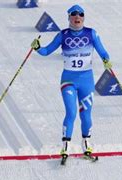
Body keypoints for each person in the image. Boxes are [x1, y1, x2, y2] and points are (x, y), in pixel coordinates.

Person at [30, 4, 112, 159]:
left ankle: (86, 142)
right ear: (69, 17)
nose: (77, 17)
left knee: (86, 114)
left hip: (87, 81)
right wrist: (37, 47)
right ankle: (65, 145)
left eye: (81, 15)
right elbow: (46, 51)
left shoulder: (91, 33)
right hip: (68, 80)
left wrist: (106, 60)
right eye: (74, 15)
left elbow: (103, 51)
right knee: (71, 112)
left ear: (83, 17)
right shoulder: (63, 35)